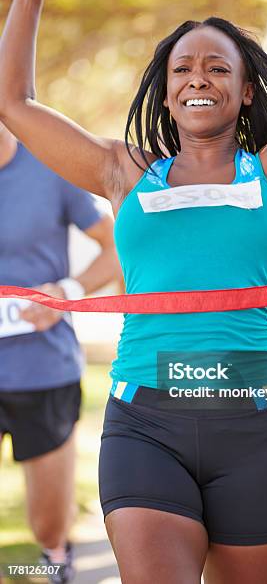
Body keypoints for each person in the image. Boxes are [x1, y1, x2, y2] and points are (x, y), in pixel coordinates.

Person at [0, 0, 267, 582]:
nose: (198, 77)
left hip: (252, 430)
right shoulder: (123, 173)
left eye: (218, 68)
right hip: (145, 424)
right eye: (182, 69)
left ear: (245, 92)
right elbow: (14, 104)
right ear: (165, 93)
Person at [0, 121, 120, 583]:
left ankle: (55, 560)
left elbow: (115, 247)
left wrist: (64, 293)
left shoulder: (49, 167)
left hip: (43, 372)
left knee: (46, 524)